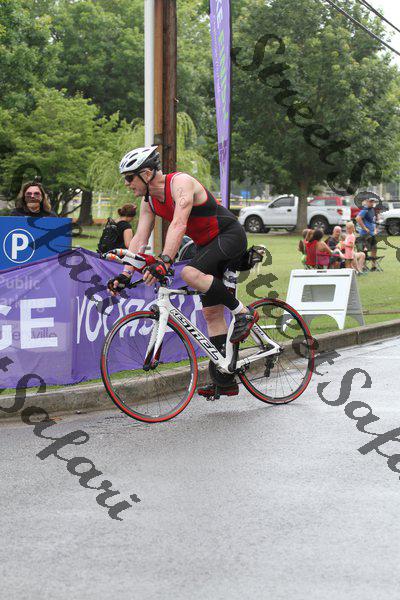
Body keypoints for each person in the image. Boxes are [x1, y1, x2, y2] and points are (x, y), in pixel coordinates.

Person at [108, 146, 258, 398]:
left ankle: (243, 313)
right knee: (211, 313)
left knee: (189, 273)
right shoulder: (149, 202)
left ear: (146, 174)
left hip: (229, 235)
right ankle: (225, 379)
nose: (127, 183)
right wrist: (125, 274)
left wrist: (165, 261)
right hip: (206, 245)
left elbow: (179, 223)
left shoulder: (181, 183)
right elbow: (139, 239)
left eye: (130, 177)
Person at [356, 197, 378, 270]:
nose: (372, 203)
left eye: (373, 202)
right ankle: (363, 266)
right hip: (365, 234)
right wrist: (364, 228)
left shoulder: (372, 210)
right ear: (366, 202)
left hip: (372, 234)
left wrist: (375, 229)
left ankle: (373, 266)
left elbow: (373, 221)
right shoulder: (365, 210)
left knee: (374, 249)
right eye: (370, 201)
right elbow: (358, 218)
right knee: (364, 250)